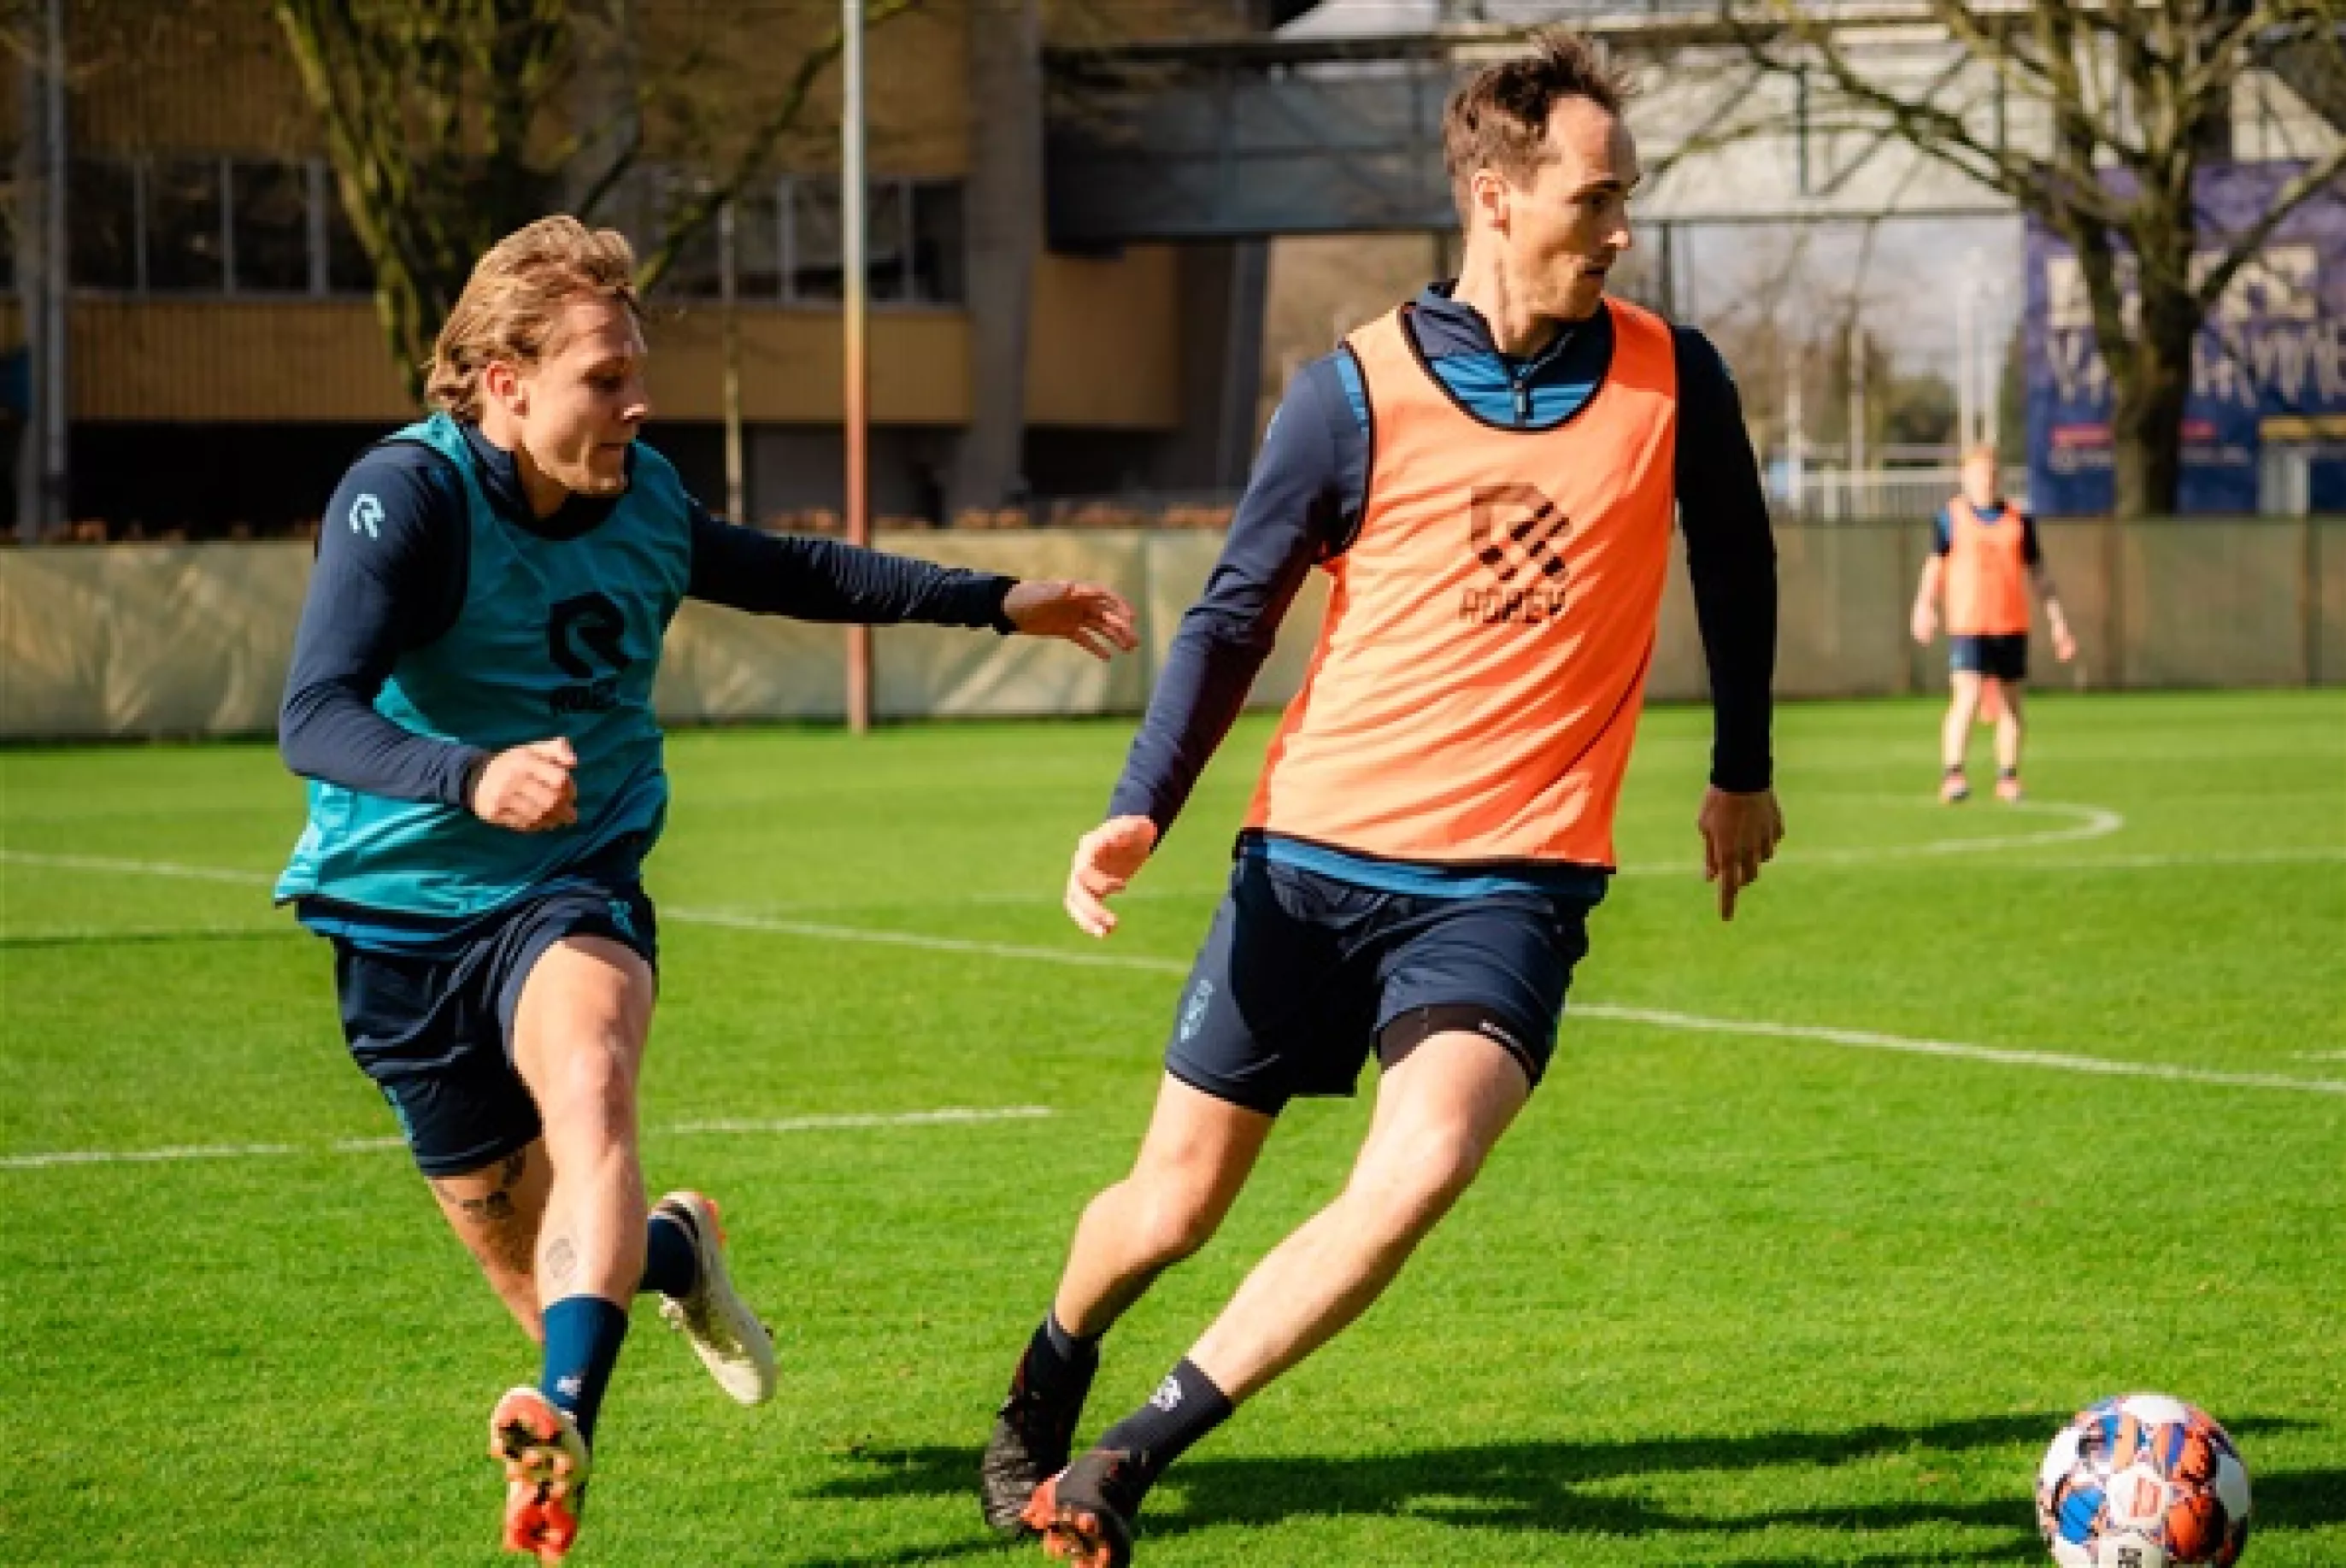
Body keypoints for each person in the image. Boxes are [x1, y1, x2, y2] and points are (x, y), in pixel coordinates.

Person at [976, 31, 1782, 1568]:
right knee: (1166, 1209)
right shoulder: (1351, 391)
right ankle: (1051, 1374)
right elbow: (1229, 615)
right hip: (1309, 863)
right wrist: (1144, 801)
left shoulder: (1682, 378)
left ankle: (1126, 1457)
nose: (1621, 231)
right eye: (1595, 199)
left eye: (1630, 201)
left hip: (1512, 885)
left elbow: (1736, 561)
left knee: (1414, 1175)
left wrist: (1740, 765)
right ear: (1493, 192)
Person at [273, 215, 1137, 1565]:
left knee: (592, 1085)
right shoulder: (408, 498)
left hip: (572, 876)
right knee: (548, 1258)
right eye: (604, 377)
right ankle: (677, 1254)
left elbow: (796, 568)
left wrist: (995, 598)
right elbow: (313, 713)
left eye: (636, 370)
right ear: (504, 381)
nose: (638, 401)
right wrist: (468, 773)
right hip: (399, 912)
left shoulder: (647, 499)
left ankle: (563, 1421)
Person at [1908, 443, 2076, 802]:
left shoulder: (2019, 522)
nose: (1987, 480)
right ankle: (1953, 773)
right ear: (1965, 477)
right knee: (1966, 697)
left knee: (2011, 705)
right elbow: (1934, 567)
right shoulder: (1950, 519)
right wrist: (1924, 606)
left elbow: (2040, 575)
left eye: (1993, 473)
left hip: (2010, 624)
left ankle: (2008, 776)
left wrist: (2059, 621)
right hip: (1968, 625)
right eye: (1980, 473)